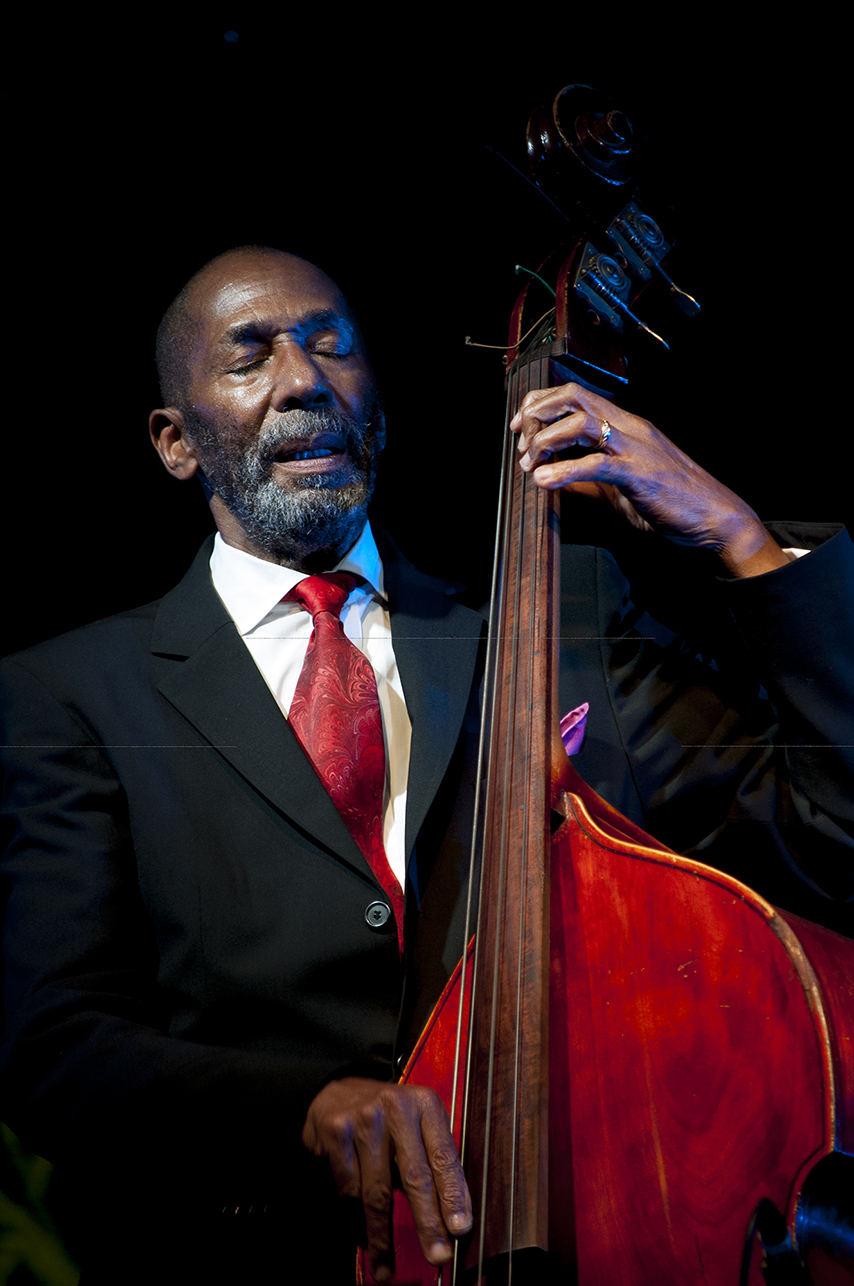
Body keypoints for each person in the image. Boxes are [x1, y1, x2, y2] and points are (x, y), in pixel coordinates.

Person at [1, 246, 852, 1284]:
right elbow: (55, 1045)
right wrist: (305, 1108)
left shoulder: (563, 622)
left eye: (331, 346)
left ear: (378, 402)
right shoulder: (71, 693)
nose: (304, 379)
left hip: (594, 1235)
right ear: (175, 442)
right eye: (250, 357)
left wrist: (742, 541)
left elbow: (833, 839)